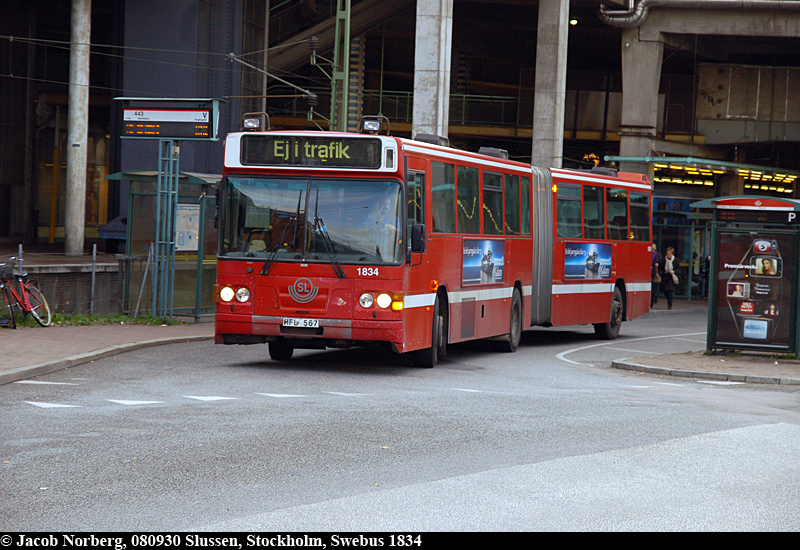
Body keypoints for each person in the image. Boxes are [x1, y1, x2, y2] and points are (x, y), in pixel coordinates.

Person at [650, 243, 663, 307]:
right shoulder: (649, 254)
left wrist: (658, 265)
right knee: (651, 288)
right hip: (650, 273)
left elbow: (662, 265)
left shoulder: (658, 255)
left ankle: (654, 296)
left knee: (653, 288)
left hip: (655, 274)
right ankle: (652, 301)